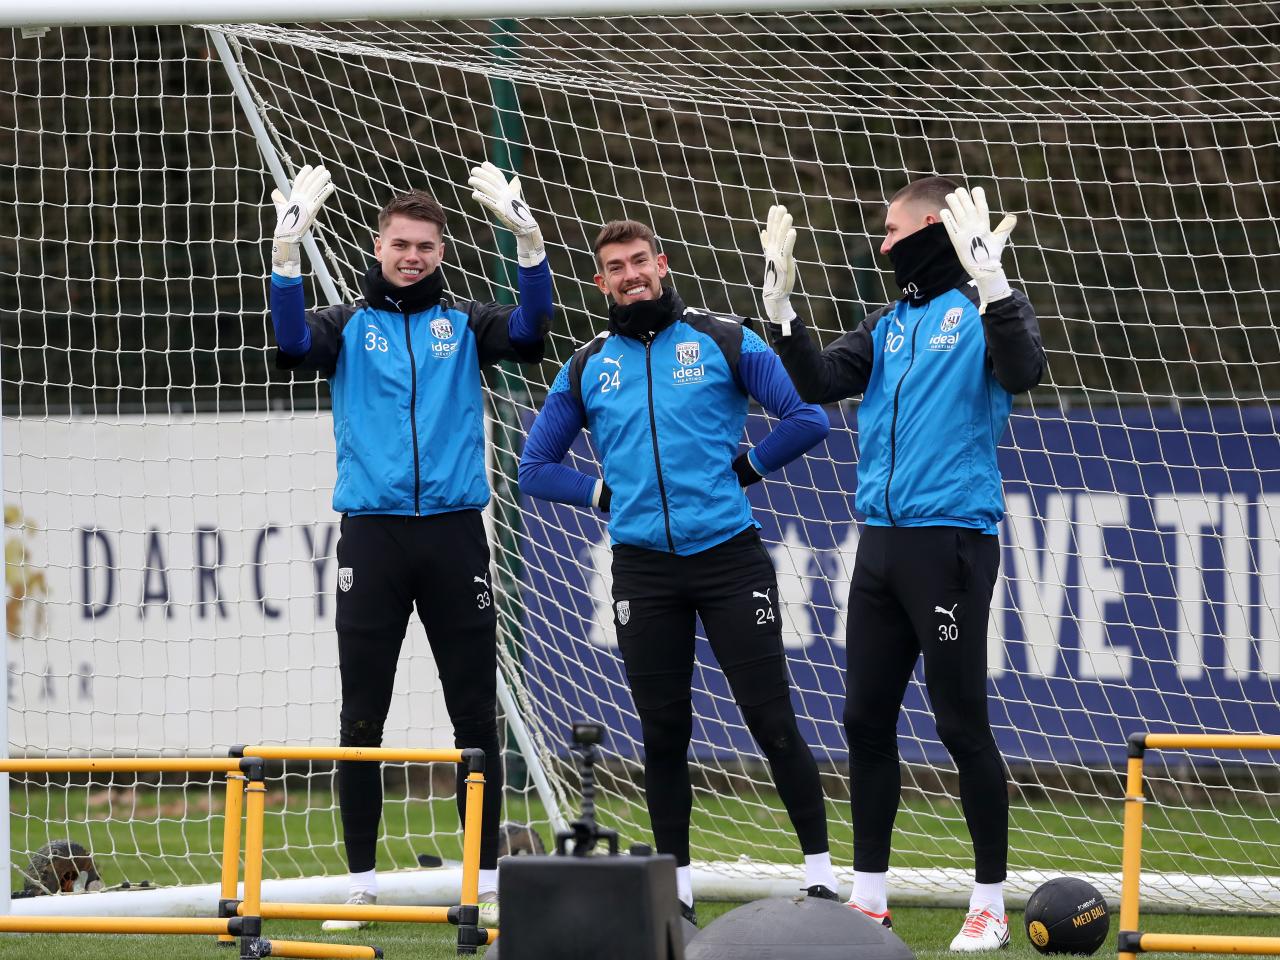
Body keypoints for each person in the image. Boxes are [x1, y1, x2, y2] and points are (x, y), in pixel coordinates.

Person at [518, 219, 837, 925]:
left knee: (772, 721)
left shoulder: (723, 337)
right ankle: (678, 892)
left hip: (729, 558)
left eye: (639, 261)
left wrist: (746, 469)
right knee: (663, 735)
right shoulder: (587, 364)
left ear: (661, 265)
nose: (630, 275)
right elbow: (533, 468)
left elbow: (806, 416)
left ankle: (822, 880)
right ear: (600, 283)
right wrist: (602, 495)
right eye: (615, 268)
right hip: (641, 572)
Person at [267, 161, 554, 929]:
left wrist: (529, 247)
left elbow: (531, 332)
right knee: (362, 717)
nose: (413, 257)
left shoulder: (464, 324)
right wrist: (285, 260)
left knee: (472, 717)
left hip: (457, 537)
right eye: (401, 244)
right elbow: (290, 346)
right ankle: (359, 883)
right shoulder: (345, 326)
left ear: (440, 252)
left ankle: (485, 878)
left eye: (425, 246)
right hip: (374, 539)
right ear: (378, 245)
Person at [759, 180, 1044, 951]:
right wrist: (782, 311)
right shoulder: (888, 325)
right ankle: (871, 897)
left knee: (960, 725)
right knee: (862, 719)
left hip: (950, 543)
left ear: (928, 232)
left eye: (891, 231)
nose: (881, 244)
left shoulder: (977, 313)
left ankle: (987, 904)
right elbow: (814, 384)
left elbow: (1023, 372)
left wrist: (995, 285)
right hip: (879, 544)